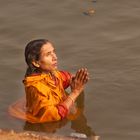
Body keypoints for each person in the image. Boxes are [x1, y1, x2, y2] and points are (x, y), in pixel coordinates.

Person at [9, 39, 89, 123]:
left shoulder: (50, 73)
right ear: (36, 63)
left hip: (57, 112)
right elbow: (54, 116)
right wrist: (75, 92)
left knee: (78, 117)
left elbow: (62, 78)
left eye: (53, 52)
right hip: (42, 125)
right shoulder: (36, 88)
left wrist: (76, 79)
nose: (55, 57)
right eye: (48, 54)